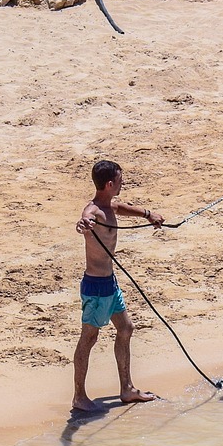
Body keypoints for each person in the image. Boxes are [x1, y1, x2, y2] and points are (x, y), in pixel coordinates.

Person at [72, 160, 164, 411]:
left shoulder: (110, 205)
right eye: (121, 179)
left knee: (126, 328)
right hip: (95, 287)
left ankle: (127, 389)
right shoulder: (93, 212)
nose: (124, 182)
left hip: (110, 285)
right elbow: (84, 220)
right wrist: (82, 226)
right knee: (88, 339)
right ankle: (79, 396)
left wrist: (149, 214)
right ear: (110, 184)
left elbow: (123, 208)